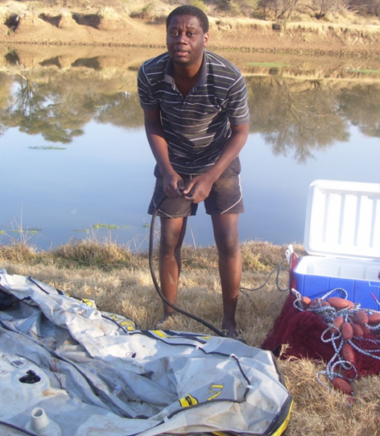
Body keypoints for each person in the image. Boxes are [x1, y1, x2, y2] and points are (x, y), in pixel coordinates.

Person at [137, 5, 250, 338]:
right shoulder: (150, 73)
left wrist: (210, 177)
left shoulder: (229, 77)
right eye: (174, 32)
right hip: (173, 161)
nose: (181, 40)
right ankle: (168, 316)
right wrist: (167, 169)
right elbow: (152, 123)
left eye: (190, 33)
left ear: (205, 38)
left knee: (227, 241)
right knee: (168, 241)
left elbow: (241, 132)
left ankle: (229, 322)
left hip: (219, 162)